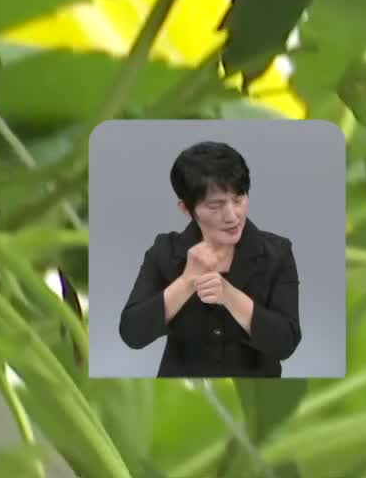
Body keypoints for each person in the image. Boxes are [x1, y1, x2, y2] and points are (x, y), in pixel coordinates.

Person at [117, 140, 302, 377]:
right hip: (180, 396)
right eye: (215, 206)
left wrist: (229, 296)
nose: (232, 216)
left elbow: (285, 343)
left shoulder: (278, 252)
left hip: (255, 394)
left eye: (238, 199)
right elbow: (132, 333)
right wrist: (185, 283)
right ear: (186, 209)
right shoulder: (164, 251)